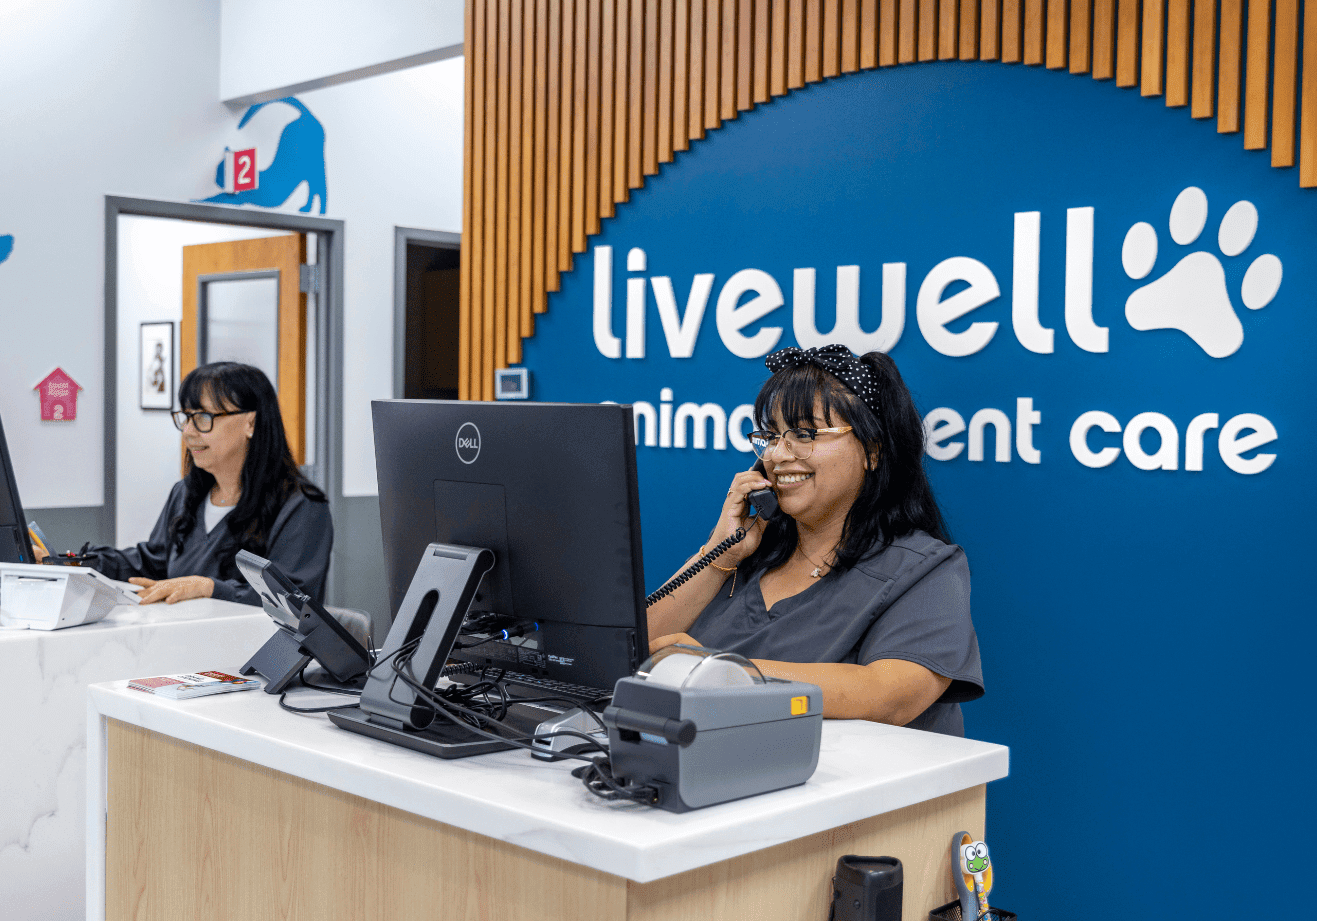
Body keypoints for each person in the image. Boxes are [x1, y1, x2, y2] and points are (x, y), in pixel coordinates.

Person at [646, 344, 983, 736]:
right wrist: (719, 552)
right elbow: (633, 648)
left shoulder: (925, 567)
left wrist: (722, 672)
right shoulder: (745, 554)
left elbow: (892, 695)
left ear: (872, 450)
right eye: (771, 436)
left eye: (805, 433)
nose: (779, 454)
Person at [39, 362, 333, 606]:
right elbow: (149, 563)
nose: (190, 432)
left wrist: (210, 588)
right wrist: (73, 564)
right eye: (186, 417)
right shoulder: (186, 494)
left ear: (251, 423)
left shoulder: (302, 506)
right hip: (186, 651)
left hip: (255, 661)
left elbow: (295, 601)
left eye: (204, 417)